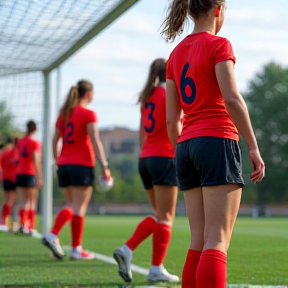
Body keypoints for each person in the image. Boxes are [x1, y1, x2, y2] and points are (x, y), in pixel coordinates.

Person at [161, 1, 265, 287]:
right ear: (218, 9)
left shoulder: (175, 54)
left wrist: (179, 152)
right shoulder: (219, 44)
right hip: (216, 140)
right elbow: (231, 99)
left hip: (186, 146)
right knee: (217, 240)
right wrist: (253, 146)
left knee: (198, 241)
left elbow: (172, 119)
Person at [113, 59, 179, 283]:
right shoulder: (168, 93)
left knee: (160, 215)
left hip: (146, 158)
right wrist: (179, 150)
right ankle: (154, 267)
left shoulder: (146, 98)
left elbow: (142, 134)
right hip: (164, 156)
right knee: (166, 217)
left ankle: (129, 250)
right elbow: (173, 121)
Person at [42, 80, 111, 260]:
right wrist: (104, 166)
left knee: (73, 207)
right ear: (89, 95)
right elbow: (95, 139)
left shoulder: (63, 114)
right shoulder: (88, 114)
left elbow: (54, 140)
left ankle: (75, 249)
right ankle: (54, 234)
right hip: (81, 164)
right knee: (77, 207)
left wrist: (58, 161)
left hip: (64, 164)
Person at [16, 121, 42, 234]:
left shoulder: (20, 141)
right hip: (30, 173)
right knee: (32, 200)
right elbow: (35, 159)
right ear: (35, 129)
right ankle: (31, 226)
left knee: (22, 200)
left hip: (19, 172)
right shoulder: (34, 142)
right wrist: (40, 176)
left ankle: (22, 224)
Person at [0, 137, 17, 230]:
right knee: (10, 199)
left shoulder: (4, 153)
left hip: (5, 177)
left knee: (7, 199)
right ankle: (4, 220)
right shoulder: (14, 152)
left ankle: (4, 219)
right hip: (12, 178)